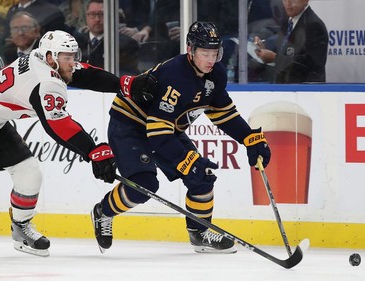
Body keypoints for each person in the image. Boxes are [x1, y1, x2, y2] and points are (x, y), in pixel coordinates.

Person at [90, 21, 271, 254]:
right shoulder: (175, 75)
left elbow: (223, 113)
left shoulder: (215, 73)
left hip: (165, 128)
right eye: (204, 53)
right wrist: (186, 161)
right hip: (130, 124)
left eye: (214, 53)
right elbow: (157, 134)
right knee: (143, 185)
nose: (210, 59)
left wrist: (249, 139)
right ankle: (102, 212)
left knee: (202, 176)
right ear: (190, 50)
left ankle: (200, 233)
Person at [0, 29, 157, 257]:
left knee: (28, 173)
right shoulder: (46, 82)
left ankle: (20, 228)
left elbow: (84, 74)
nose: (73, 62)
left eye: (72, 56)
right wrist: (93, 151)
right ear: (51, 57)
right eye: (67, 58)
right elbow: (57, 125)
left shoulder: (44, 58)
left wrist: (122, 84)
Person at [254, 0, 328, 83]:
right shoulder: (288, 23)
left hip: (305, 92)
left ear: (305, 1)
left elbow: (309, 65)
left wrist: (275, 58)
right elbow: (286, 54)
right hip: (285, 90)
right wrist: (264, 51)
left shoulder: (314, 25)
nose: (288, 3)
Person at [75, 0, 140, 75]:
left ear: (110, 16)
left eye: (102, 14)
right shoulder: (77, 41)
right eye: (92, 14)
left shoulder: (127, 44)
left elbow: (127, 75)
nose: (97, 19)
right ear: (86, 16)